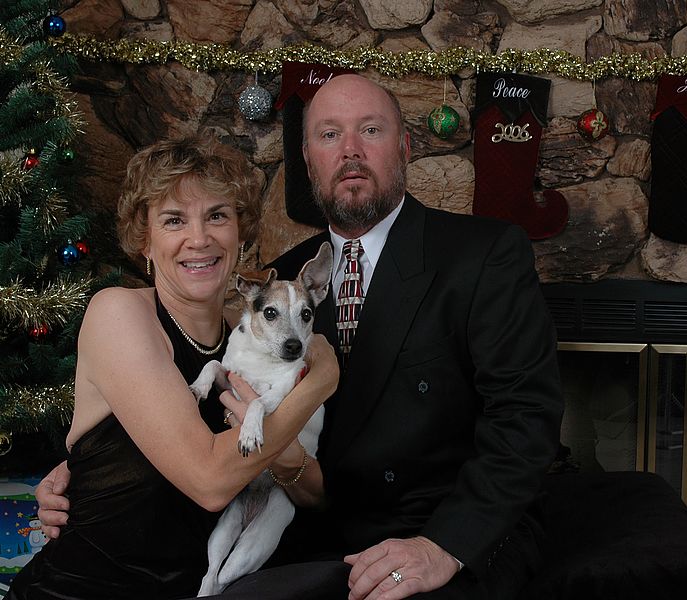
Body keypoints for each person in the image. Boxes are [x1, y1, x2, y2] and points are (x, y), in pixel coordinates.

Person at [38, 74, 563, 600]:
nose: (351, 151)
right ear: (308, 160)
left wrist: (443, 545)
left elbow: (525, 416)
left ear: (404, 147)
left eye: (371, 130)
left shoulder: (482, 254)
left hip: (436, 533)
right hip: (301, 543)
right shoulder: (282, 287)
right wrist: (87, 468)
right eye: (330, 135)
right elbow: (180, 439)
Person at [11, 134, 339, 599]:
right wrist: (319, 382)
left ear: (240, 234)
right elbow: (209, 483)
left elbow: (315, 496)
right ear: (144, 240)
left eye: (217, 216)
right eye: (173, 219)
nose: (200, 238)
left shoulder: (253, 335)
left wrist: (285, 458)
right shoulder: (120, 314)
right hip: (87, 589)